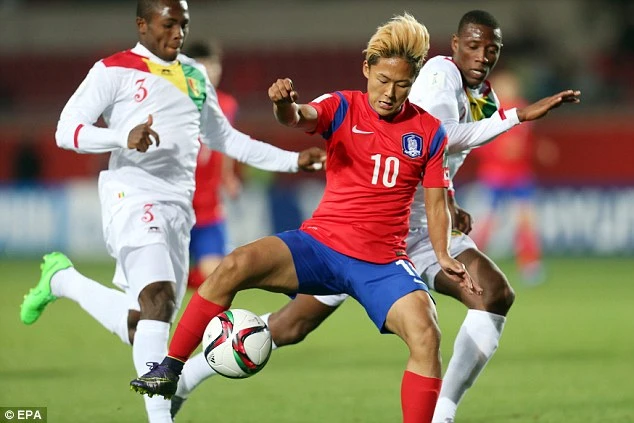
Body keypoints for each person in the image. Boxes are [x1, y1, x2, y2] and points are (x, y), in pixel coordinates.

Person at [165, 10, 582, 423]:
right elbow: (441, 134)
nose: (481, 57)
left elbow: (435, 153)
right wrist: (514, 117)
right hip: (376, 225)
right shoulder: (439, 76)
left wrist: (450, 199)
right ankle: (186, 375)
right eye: (473, 46)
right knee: (291, 325)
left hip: (418, 228)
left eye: (491, 50)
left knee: (489, 297)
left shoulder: (482, 97)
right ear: (455, 45)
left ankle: (441, 412)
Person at [131, 13, 482, 423]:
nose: (389, 93)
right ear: (366, 69)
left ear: (414, 80)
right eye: (383, 80)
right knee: (235, 265)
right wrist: (284, 105)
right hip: (321, 246)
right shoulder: (343, 105)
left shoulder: (428, 131)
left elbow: (436, 204)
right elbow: (299, 117)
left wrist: (442, 255)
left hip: (381, 262)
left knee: (426, 332)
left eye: (401, 84)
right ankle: (170, 369)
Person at [18, 1, 324, 423]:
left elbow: (226, 139)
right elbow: (66, 131)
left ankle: (63, 279)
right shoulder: (113, 70)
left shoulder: (194, 75)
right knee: (159, 301)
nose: (178, 32)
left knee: (144, 322)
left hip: (179, 208)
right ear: (142, 25)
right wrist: (122, 136)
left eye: (184, 24)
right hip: (132, 196)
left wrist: (292, 161)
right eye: (168, 23)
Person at [470, 69, 547, 284]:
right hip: (495, 173)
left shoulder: (524, 109)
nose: (509, 89)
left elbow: (528, 142)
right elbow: (475, 142)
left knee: (526, 220)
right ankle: (471, 261)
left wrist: (535, 150)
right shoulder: (488, 110)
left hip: (520, 174)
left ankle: (530, 264)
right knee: (487, 221)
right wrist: (498, 151)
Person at [182, 39, 242, 289]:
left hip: (208, 207)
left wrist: (228, 176)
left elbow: (224, 144)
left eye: (215, 64)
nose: (212, 70)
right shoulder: (173, 103)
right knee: (161, 280)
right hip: (177, 205)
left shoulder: (227, 104)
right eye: (204, 65)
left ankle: (183, 280)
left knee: (216, 278)